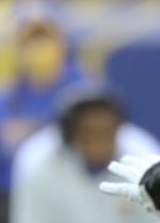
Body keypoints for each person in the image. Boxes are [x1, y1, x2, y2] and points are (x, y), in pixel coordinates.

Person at [0, 0, 86, 223]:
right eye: (31, 39)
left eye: (45, 37)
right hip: (11, 205)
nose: (39, 47)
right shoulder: (0, 104)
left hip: (74, 205)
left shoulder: (85, 97)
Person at [10, 84, 160, 223]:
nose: (99, 142)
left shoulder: (145, 162)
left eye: (107, 131)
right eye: (89, 133)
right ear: (70, 134)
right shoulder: (37, 163)